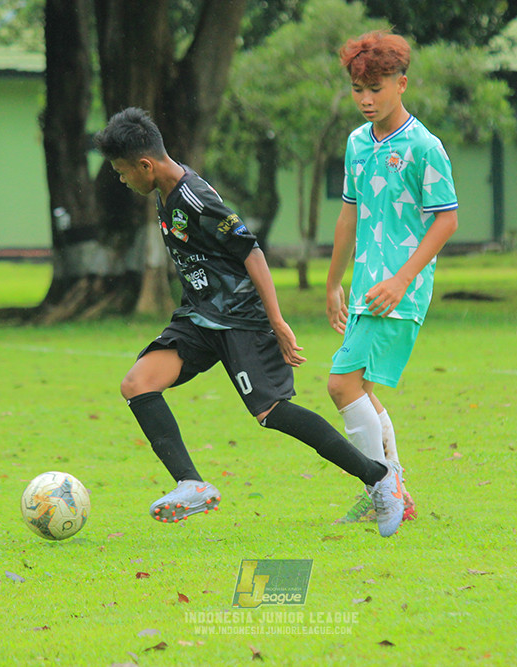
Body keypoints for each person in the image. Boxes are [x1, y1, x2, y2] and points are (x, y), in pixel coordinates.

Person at [94, 107, 406, 537]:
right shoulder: (163, 193)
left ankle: (378, 476)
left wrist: (276, 321)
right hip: (200, 316)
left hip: (240, 318)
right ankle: (191, 484)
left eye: (123, 172)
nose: (123, 181)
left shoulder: (196, 197)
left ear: (144, 164)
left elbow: (251, 252)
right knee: (137, 384)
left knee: (272, 412)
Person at [326, 31, 459, 524]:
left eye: (376, 88)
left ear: (401, 84)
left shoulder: (424, 146)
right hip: (364, 287)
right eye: (358, 89)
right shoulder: (357, 143)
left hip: (400, 290)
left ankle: (385, 487)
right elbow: (347, 215)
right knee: (360, 389)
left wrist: (403, 279)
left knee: (343, 386)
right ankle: (392, 490)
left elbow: (446, 220)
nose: (365, 99)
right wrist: (332, 281)